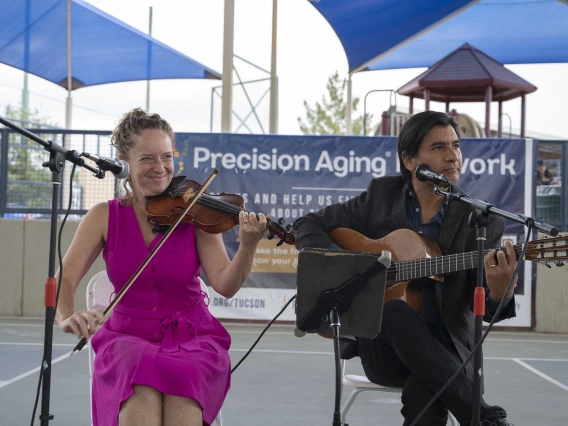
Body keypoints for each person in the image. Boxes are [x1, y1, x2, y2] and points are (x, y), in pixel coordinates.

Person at [293, 111, 517, 426]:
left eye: (456, 146)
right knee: (396, 312)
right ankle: (483, 417)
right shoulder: (382, 196)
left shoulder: (481, 220)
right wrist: (342, 264)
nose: (453, 156)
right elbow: (308, 223)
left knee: (425, 394)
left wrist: (499, 290)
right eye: (439, 148)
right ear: (410, 161)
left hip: (448, 348)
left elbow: (486, 309)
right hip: (383, 349)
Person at [55, 108, 268, 426]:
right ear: (125, 162)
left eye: (166, 157)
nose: (160, 168)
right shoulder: (103, 216)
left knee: (182, 410)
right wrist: (66, 316)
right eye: (147, 159)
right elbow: (66, 278)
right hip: (127, 338)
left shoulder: (194, 212)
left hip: (192, 339)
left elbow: (225, 283)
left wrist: (248, 246)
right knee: (138, 408)